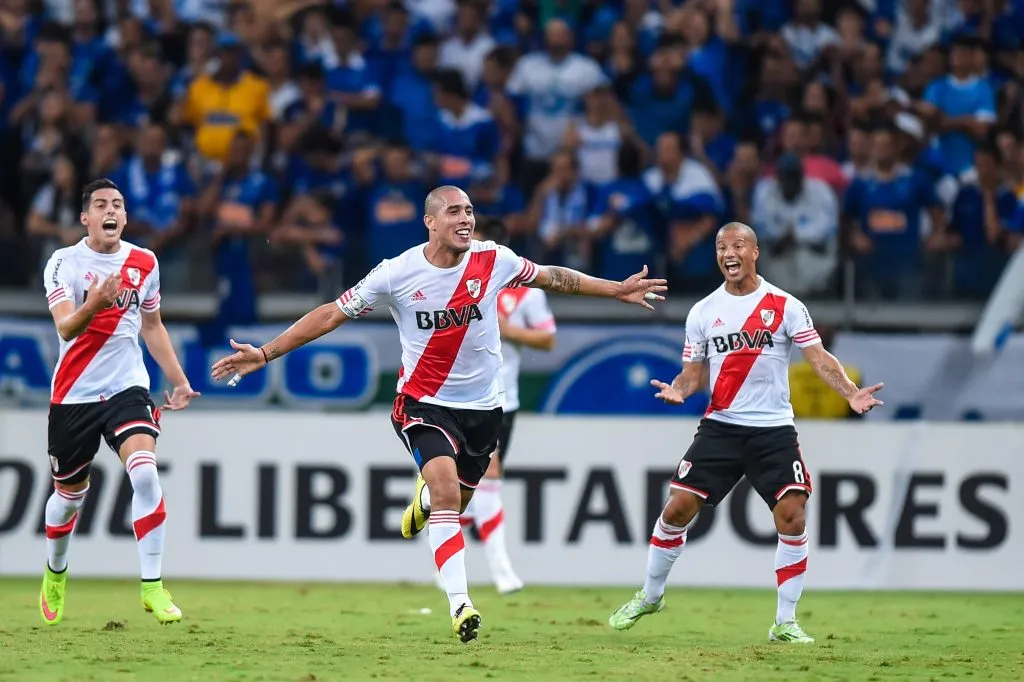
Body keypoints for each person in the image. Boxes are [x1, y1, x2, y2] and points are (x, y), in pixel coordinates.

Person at [211, 185, 665, 643]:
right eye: (454, 212)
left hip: (485, 408)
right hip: (422, 403)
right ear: (430, 221)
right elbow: (331, 314)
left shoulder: (495, 260)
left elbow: (553, 276)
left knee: (454, 499)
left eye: (469, 211)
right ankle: (461, 604)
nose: (465, 218)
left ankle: (425, 503)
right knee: (449, 492)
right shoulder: (396, 273)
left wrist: (615, 289)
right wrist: (266, 354)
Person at [607, 222, 883, 643]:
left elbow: (818, 357)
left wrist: (849, 392)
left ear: (755, 252)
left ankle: (785, 622)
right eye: (721, 246)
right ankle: (651, 594)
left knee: (791, 514)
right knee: (677, 508)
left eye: (737, 245)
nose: (728, 252)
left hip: (773, 429)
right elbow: (691, 375)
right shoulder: (702, 311)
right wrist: (679, 390)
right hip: (722, 426)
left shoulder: (785, 305)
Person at [40, 178, 200, 626]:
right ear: (85, 218)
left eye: (118, 204)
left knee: (145, 472)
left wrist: (179, 381)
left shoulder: (144, 261)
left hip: (127, 388)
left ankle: (152, 586)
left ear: (125, 217)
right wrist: (95, 302)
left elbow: (152, 326)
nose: (110, 211)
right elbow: (66, 329)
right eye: (100, 205)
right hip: (73, 395)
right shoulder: (63, 263)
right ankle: (55, 570)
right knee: (68, 498)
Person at [461, 218, 557, 594]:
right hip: (463, 395)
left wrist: (508, 329)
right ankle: (502, 572)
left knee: (468, 486)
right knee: (488, 476)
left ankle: (444, 563)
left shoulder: (525, 292)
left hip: (505, 398)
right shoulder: (454, 280)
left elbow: (548, 341)